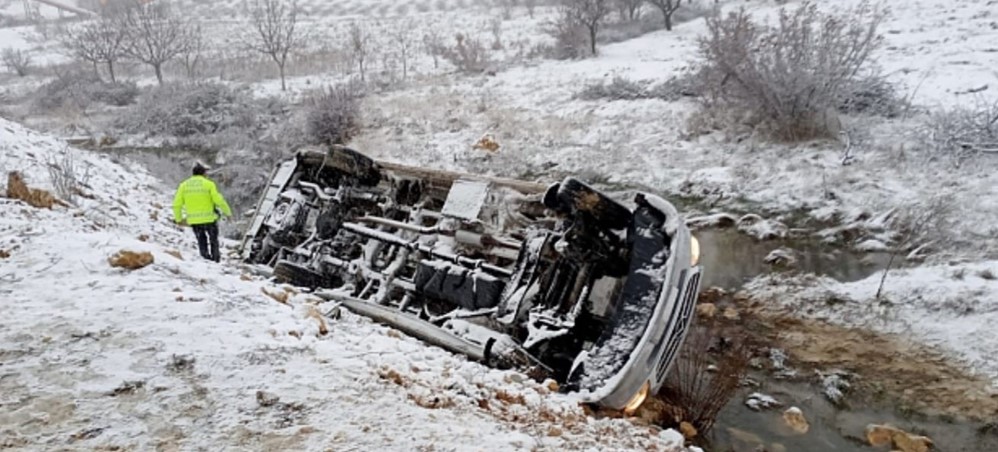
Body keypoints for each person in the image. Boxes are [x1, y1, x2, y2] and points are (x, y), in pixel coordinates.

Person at [172, 162, 232, 262]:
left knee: (201, 240)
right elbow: (219, 200)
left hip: (194, 220)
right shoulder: (209, 184)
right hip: (209, 219)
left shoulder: (184, 185)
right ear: (204, 173)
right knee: (213, 240)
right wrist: (228, 213)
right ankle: (215, 259)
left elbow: (177, 204)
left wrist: (178, 219)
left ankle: (205, 259)